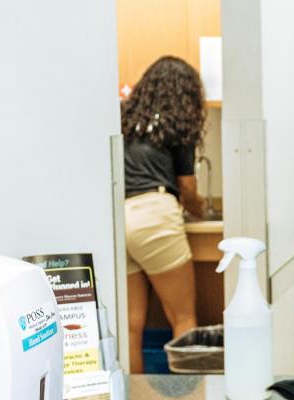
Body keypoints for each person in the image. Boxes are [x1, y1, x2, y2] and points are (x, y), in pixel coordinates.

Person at [120, 56, 207, 374]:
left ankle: (134, 395)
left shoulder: (125, 119)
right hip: (155, 214)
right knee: (183, 317)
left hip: (119, 218)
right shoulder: (176, 123)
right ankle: (190, 395)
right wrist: (199, 208)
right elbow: (187, 187)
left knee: (130, 324)